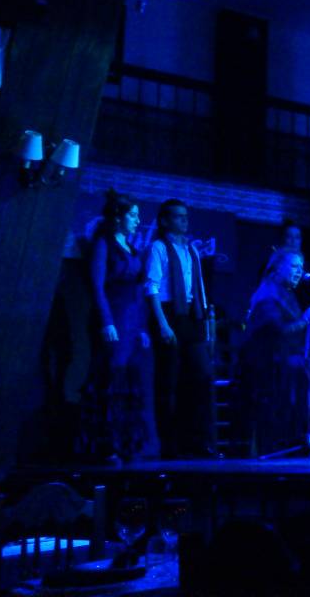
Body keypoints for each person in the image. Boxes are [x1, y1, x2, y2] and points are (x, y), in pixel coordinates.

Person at [240, 249, 310, 455]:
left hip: (288, 360)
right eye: (293, 266)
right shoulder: (268, 295)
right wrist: (304, 320)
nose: (299, 271)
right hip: (271, 364)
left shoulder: (285, 293)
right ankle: (309, 437)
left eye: (301, 267)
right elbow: (278, 333)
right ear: (277, 267)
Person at [86, 189, 158, 461]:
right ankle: (107, 444)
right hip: (113, 318)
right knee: (111, 378)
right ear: (118, 217)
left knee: (129, 380)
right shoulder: (103, 244)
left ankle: (127, 443)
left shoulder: (132, 248)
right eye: (133, 215)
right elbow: (97, 286)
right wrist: (106, 321)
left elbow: (139, 293)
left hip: (131, 321)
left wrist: (142, 328)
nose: (138, 220)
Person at [145, 199, 215, 458]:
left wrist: (205, 324)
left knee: (201, 377)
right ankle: (169, 445)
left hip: (191, 317)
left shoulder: (191, 249)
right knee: (169, 381)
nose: (184, 220)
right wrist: (163, 324)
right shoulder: (159, 247)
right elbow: (151, 288)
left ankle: (197, 441)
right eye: (178, 216)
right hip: (169, 314)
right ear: (165, 220)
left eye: (186, 216)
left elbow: (200, 289)